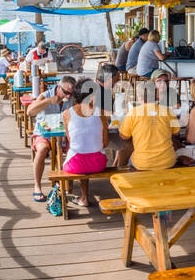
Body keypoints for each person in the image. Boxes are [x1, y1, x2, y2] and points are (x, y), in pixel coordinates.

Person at [25, 74, 77, 201]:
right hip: (44, 134)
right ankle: (37, 186)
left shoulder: (72, 98)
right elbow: (29, 112)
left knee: (77, 148)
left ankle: (64, 180)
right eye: (66, 92)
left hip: (64, 135)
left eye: (71, 93)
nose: (68, 96)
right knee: (42, 149)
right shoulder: (45, 96)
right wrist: (48, 101)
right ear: (58, 88)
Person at [60, 78, 109, 206]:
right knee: (89, 152)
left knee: (71, 154)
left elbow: (72, 142)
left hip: (75, 165)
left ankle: (82, 197)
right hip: (98, 164)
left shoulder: (67, 114)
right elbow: (105, 143)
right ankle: (84, 197)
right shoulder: (101, 113)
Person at [118, 69, 179, 171]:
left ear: (140, 97)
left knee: (126, 149)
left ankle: (120, 173)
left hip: (142, 163)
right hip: (168, 161)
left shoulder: (134, 112)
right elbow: (176, 133)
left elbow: (123, 136)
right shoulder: (167, 111)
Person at [95, 63, 133, 167]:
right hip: (99, 134)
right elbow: (107, 115)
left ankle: (116, 167)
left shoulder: (98, 88)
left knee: (125, 138)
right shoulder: (101, 93)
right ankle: (119, 171)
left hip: (98, 131)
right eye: (116, 78)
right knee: (130, 141)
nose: (117, 81)